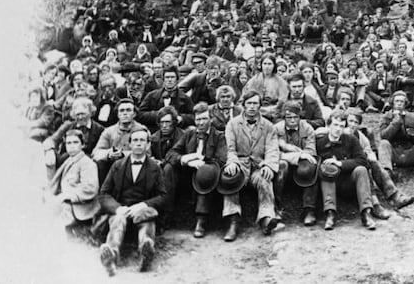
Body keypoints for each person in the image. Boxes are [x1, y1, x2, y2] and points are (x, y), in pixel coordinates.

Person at [97, 129, 167, 276]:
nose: (138, 144)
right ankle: (112, 255)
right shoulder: (117, 166)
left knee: (146, 221)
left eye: (142, 140)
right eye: (135, 140)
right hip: (121, 210)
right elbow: (103, 194)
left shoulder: (155, 168)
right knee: (117, 222)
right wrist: (117, 208)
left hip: (142, 212)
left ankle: (145, 252)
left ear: (148, 145)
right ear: (129, 144)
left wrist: (144, 205)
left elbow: (163, 197)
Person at [221, 91, 281, 241]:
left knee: (265, 179)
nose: (252, 107)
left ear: (260, 105)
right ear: (243, 105)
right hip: (240, 165)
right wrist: (233, 162)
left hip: (258, 165)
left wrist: (268, 165)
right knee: (230, 178)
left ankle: (266, 218)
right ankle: (233, 221)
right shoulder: (233, 124)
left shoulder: (268, 126)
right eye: (249, 103)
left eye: (255, 103)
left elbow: (273, 149)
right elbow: (230, 149)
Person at [165, 102, 227, 238]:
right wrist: (186, 159)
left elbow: (221, 160)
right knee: (169, 168)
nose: (201, 123)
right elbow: (171, 154)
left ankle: (201, 220)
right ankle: (166, 214)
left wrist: (203, 160)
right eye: (198, 119)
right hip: (187, 174)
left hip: (208, 176)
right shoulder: (189, 134)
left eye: (204, 119)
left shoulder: (219, 136)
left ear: (211, 119)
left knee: (205, 172)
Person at [315, 109, 376, 230]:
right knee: (327, 173)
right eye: (335, 125)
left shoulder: (351, 140)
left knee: (361, 170)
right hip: (329, 185)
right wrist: (327, 168)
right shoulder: (320, 143)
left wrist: (339, 163)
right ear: (328, 125)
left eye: (342, 126)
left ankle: (366, 213)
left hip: (349, 181)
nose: (338, 129)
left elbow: (362, 160)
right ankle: (330, 214)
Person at [273, 101, 320, 226]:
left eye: (296, 117)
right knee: (282, 165)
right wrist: (294, 155)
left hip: (302, 167)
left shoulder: (307, 128)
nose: (293, 120)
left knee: (312, 166)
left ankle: (309, 209)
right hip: (285, 167)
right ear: (284, 117)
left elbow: (310, 152)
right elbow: (272, 154)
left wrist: (302, 156)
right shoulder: (276, 129)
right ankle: (276, 208)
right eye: (289, 117)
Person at [46, 129, 100, 234]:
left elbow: (90, 188)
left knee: (56, 222)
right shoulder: (68, 160)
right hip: (66, 202)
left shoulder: (87, 163)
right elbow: (56, 182)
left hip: (80, 206)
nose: (72, 145)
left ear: (82, 145)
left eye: (75, 142)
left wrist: (67, 196)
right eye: (68, 143)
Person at [92, 99, 151, 183]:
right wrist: (109, 154)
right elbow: (96, 153)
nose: (125, 113)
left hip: (133, 165)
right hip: (112, 167)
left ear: (134, 114)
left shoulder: (142, 130)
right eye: (122, 111)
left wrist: (123, 154)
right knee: (100, 164)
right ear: (118, 114)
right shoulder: (109, 131)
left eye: (128, 110)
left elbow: (147, 153)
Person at [137, 65, 195, 133]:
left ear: (177, 79)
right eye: (167, 77)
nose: (169, 80)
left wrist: (181, 118)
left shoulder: (185, 98)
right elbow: (140, 114)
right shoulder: (152, 96)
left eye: (172, 77)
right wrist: (158, 115)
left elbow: (193, 116)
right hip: (155, 130)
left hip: (177, 131)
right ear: (163, 79)